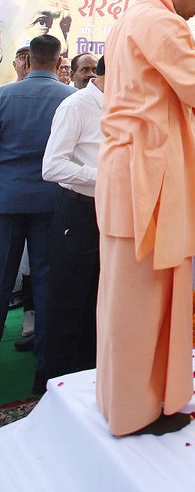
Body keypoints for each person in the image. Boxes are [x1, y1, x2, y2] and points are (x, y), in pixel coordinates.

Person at [95, 0, 195, 436]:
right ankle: (138, 410)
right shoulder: (161, 22)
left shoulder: (128, 20)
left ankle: (125, 398)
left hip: (131, 173)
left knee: (124, 292)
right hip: (146, 179)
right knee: (143, 297)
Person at [0, 33, 69, 393]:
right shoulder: (71, 99)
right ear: (60, 63)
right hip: (51, 203)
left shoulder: (3, 96)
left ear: (27, 61)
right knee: (46, 288)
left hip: (6, 201)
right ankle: (45, 376)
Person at [40, 55, 105, 379]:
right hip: (78, 211)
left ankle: (87, 381)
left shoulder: (127, 109)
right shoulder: (77, 105)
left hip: (108, 213)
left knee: (97, 300)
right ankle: (55, 382)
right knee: (69, 300)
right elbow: (51, 166)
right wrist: (103, 175)